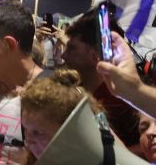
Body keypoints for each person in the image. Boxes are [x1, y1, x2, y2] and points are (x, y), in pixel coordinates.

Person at [59, 13, 140, 146]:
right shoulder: (70, 91)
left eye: (72, 48)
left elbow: (143, 149)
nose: (63, 55)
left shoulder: (125, 102)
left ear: (96, 55)